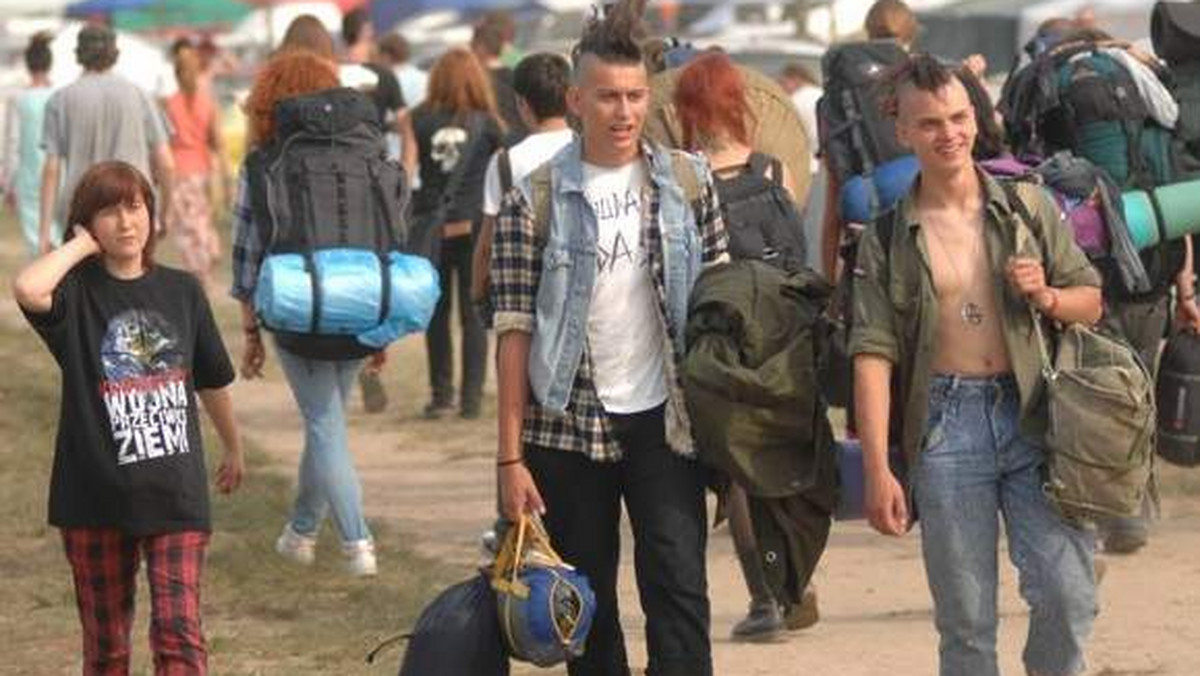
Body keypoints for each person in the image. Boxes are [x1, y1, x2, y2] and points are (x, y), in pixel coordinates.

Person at [491, 0, 728, 672]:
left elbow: (718, 308)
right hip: (568, 428)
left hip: (668, 422)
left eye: (634, 97)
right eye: (606, 98)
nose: (623, 113)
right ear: (573, 99)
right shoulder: (531, 201)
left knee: (680, 590)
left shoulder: (688, 183)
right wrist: (509, 460)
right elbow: (512, 335)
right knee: (585, 606)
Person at [852, 54, 1101, 676]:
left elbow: (1091, 302)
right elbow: (873, 356)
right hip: (944, 428)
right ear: (902, 131)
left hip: (1033, 416)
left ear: (977, 116)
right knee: (965, 625)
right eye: (930, 123)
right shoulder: (885, 237)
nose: (950, 134)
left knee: (1068, 594)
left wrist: (1045, 295)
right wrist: (879, 469)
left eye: (960, 117)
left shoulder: (1028, 208)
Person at [12, 160, 244, 674]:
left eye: (134, 207)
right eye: (109, 212)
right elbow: (28, 289)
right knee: (107, 649)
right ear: (88, 224)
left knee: (179, 635)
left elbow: (210, 378)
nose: (125, 222)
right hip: (93, 496)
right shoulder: (74, 298)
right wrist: (76, 248)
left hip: (175, 494)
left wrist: (233, 445)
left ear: (151, 213)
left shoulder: (182, 291)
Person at [673, 50, 823, 642]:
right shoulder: (775, 171)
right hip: (787, 329)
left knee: (737, 473)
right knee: (788, 457)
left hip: (724, 338)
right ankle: (795, 581)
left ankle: (767, 599)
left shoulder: (684, 181)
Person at [230, 51, 379, 576]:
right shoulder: (363, 150)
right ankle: (300, 532)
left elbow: (246, 253)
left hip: (298, 309)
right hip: (363, 305)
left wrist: (249, 331)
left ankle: (358, 542)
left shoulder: (263, 162)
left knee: (324, 424)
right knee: (328, 422)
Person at [412, 47, 505, 420]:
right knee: (473, 316)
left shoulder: (418, 118)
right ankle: (470, 400)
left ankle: (440, 395)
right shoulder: (489, 123)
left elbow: (413, 170)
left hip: (433, 227)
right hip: (475, 228)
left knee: (436, 314)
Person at [38, 23, 174, 255]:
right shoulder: (139, 95)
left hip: (80, 211)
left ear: (78, 55)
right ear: (115, 54)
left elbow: (52, 169)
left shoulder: (60, 99)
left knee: (82, 287)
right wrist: (164, 214)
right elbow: (166, 163)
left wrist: (43, 233)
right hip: (131, 208)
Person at [819, 0, 919, 280]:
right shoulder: (921, 79)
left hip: (864, 224)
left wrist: (829, 286)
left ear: (868, 30)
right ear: (911, 33)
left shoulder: (841, 91)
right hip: (921, 223)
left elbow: (832, 211)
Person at [479, 51, 574, 254]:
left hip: (526, 277)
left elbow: (488, 242)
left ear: (522, 103)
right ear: (570, 97)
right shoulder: (590, 149)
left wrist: (477, 286)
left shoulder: (505, 162)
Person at [163, 45, 227, 290]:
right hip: (203, 167)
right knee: (202, 217)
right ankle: (210, 248)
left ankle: (200, 273)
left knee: (187, 228)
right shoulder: (208, 103)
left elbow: (164, 143)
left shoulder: (170, 104)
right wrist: (223, 173)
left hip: (179, 169)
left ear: (176, 74)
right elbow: (217, 141)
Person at [3, 32, 57, 256]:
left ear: (27, 65)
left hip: (28, 179)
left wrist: (8, 183)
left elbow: (12, 143)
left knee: (35, 243)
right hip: (58, 175)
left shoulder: (18, 99)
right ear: (50, 63)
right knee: (58, 236)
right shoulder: (59, 96)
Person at [472, 18, 528, 144]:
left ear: (480, 48)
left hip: (492, 147)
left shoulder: (477, 82)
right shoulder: (520, 75)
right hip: (521, 143)